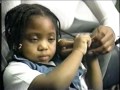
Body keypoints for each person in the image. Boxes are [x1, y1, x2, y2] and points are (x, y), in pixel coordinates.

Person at [3, 4, 102, 90]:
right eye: (34, 39)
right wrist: (78, 51)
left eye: (51, 39)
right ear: (17, 40)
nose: (44, 47)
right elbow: (54, 86)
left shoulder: (66, 61)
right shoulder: (15, 71)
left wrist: (91, 55)